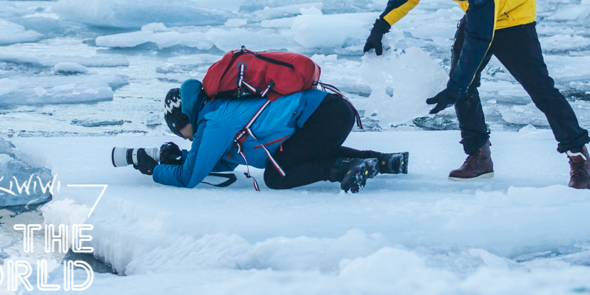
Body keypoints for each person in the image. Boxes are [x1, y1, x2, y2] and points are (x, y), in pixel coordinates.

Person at [363, 0, 590, 189]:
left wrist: (456, 86)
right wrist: (381, 26)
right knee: (463, 82)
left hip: (513, 14)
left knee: (539, 88)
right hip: (478, 12)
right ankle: (479, 156)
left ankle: (579, 158)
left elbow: (480, 36)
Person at [127, 79, 408, 193]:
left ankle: (347, 169)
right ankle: (385, 161)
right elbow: (217, 163)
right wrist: (179, 160)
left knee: (276, 175)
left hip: (326, 114)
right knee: (294, 156)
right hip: (331, 111)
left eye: (179, 131)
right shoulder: (217, 117)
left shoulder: (213, 121)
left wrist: (156, 170)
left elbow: (190, 178)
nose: (184, 138)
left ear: (185, 119)